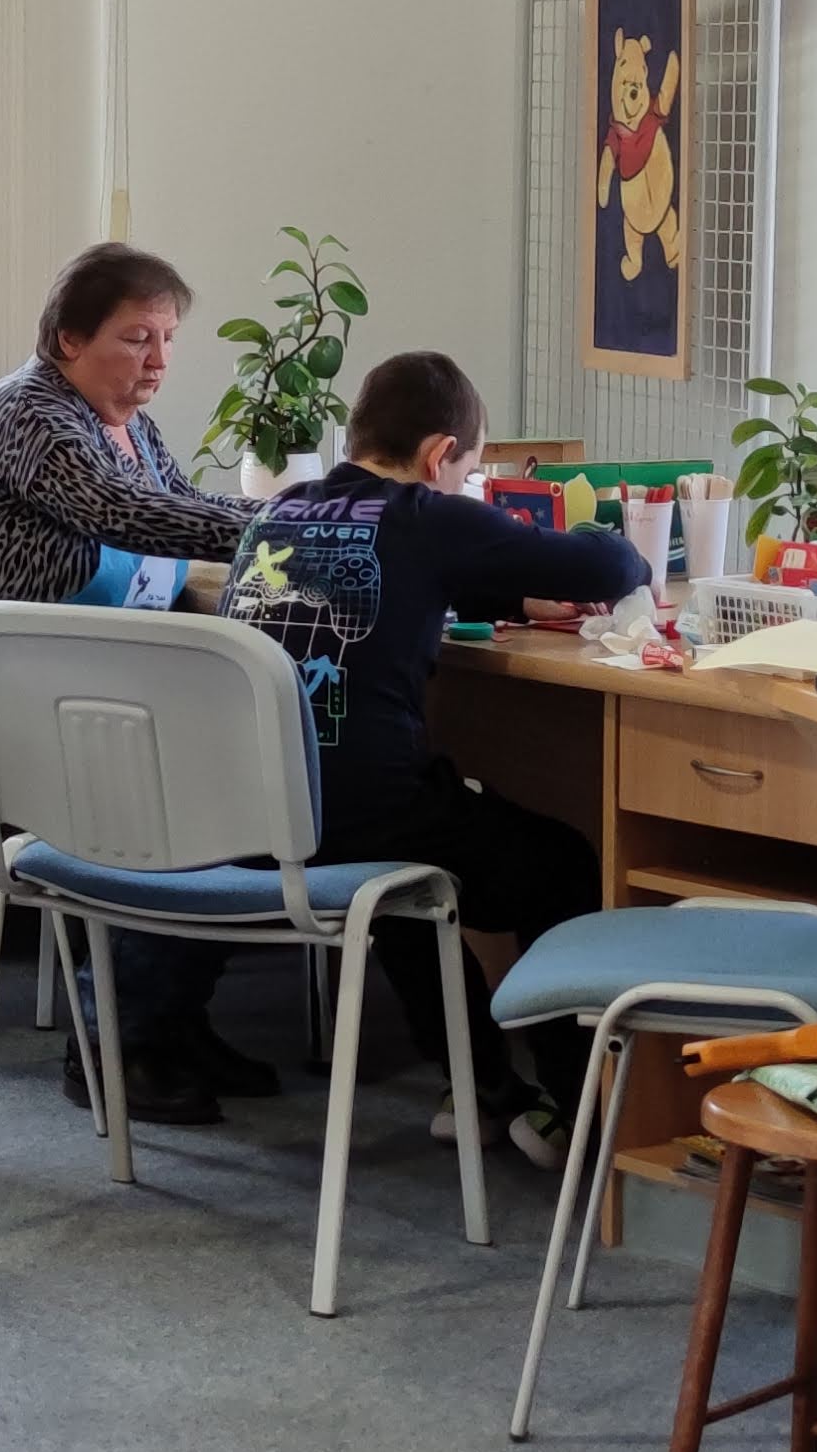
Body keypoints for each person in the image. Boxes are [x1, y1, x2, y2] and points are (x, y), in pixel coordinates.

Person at [221, 352, 648, 1167]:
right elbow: (606, 566)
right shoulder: (428, 514)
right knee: (558, 862)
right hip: (365, 819)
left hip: (259, 817)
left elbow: (396, 581)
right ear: (438, 455)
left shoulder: (280, 512)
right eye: (467, 471)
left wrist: (507, 593)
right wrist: (611, 539)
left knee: (406, 880)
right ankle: (571, 1107)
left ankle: (477, 1084)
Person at [0, 242, 270, 1123]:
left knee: (253, 765)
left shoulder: (130, 428)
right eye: (136, 338)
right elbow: (133, 515)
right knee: (192, 777)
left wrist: (294, 532)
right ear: (69, 339)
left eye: (167, 339)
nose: (157, 362)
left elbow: (184, 512)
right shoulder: (29, 413)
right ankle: (117, 1038)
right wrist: (300, 522)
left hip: (85, 685)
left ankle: (170, 1017)